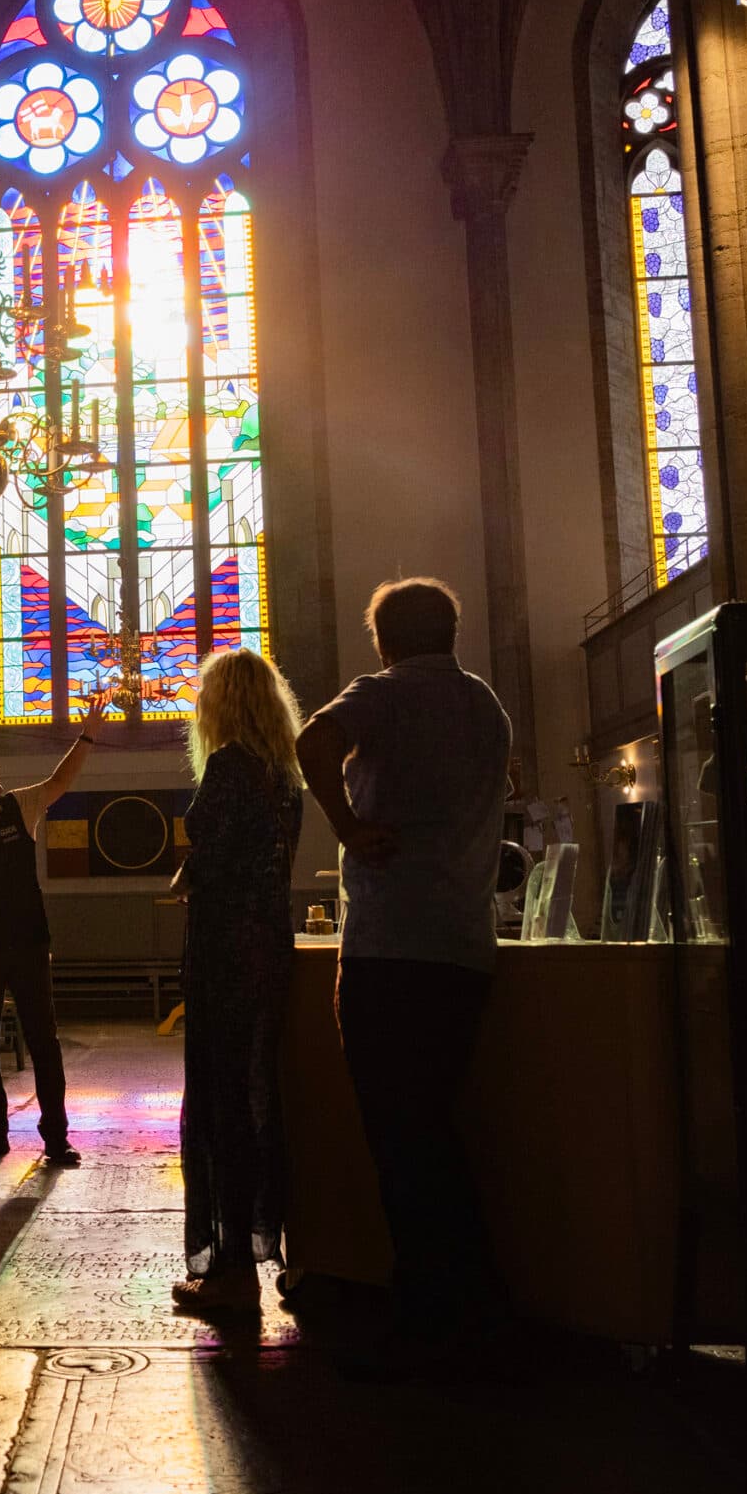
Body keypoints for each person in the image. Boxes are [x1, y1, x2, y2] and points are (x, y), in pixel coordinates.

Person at [294, 578, 512, 1352]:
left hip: (390, 948)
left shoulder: (383, 693)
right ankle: (469, 1300)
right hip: (465, 949)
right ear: (451, 632)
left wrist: (347, 826)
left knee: (399, 1135)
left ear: (383, 640)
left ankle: (430, 1314)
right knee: (436, 1126)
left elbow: (312, 740)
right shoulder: (486, 705)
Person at [170, 649, 305, 1313]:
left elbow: (216, 862)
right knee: (262, 1101)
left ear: (221, 703)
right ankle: (269, 1245)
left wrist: (194, 873)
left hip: (226, 955)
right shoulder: (284, 775)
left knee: (223, 1106)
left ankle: (229, 1274)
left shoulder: (227, 769)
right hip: (270, 950)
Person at [0, 691, 107, 1167]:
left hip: (30, 944)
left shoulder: (19, 806)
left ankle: (56, 1137)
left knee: (44, 1040)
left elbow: (61, 780)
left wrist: (89, 733)